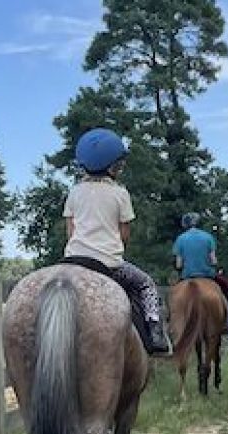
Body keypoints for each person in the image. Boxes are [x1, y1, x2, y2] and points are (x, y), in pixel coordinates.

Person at [63, 127, 170, 354]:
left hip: (72, 262)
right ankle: (155, 333)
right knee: (146, 284)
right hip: (109, 265)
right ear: (113, 166)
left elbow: (70, 231)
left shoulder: (74, 192)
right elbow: (124, 234)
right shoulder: (120, 194)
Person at [172, 212, 228, 331]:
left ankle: (171, 321)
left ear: (185, 225)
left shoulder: (180, 239)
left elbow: (179, 264)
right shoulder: (208, 237)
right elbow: (213, 261)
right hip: (207, 276)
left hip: (187, 276)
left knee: (172, 296)